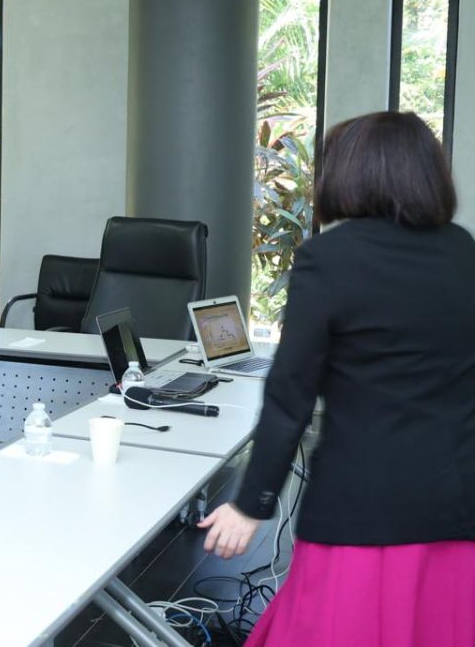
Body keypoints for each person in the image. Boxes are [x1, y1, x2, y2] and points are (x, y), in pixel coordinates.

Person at [199, 111, 475, 645]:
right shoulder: (463, 251)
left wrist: (250, 504)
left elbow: (290, 396)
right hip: (455, 507)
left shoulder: (329, 258)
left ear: (352, 173)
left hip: (360, 511)